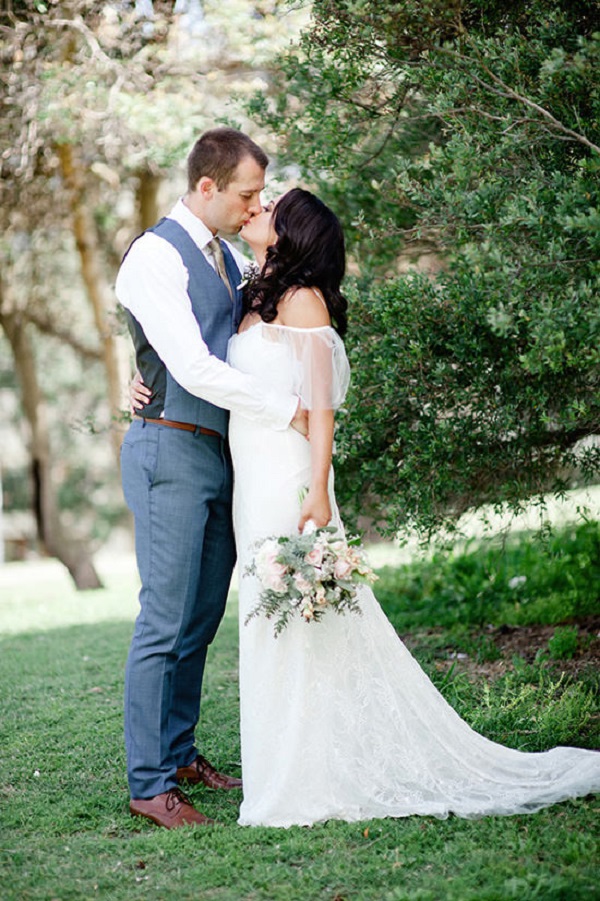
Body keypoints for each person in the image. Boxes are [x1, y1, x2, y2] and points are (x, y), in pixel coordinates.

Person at [135, 187, 600, 828]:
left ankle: (309, 770)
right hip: (252, 478)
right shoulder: (251, 290)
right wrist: (143, 379)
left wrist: (319, 488)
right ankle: (287, 761)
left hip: (291, 478)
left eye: (270, 207)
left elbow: (320, 409)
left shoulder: (303, 301)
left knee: (301, 613)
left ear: (292, 232)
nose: (256, 209)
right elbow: (195, 354)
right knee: (274, 615)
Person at [116, 128, 307, 830]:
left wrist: (136, 370)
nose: (255, 204)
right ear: (206, 186)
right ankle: (149, 783)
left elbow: (208, 345)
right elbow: (192, 367)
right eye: (247, 193)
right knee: (164, 621)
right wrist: (290, 409)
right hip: (169, 451)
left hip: (220, 453)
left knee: (200, 618)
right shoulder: (153, 255)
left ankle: (181, 752)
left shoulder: (225, 256)